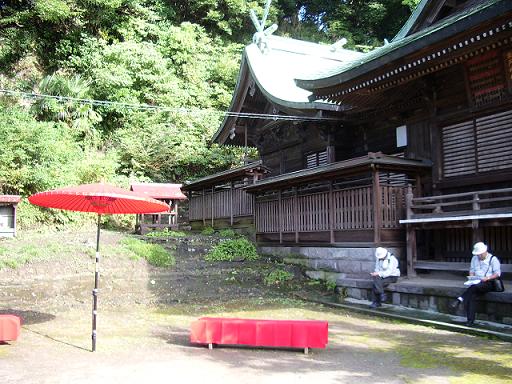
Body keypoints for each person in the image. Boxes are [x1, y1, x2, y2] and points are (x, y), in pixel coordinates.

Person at [450, 242, 501, 326]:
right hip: (476, 282)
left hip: (489, 282)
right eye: (478, 254)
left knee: (474, 287)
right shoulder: (474, 258)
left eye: (480, 254)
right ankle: (470, 321)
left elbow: (497, 274)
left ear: (485, 251)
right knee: (472, 297)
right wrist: (471, 277)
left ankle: (460, 299)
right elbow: (472, 270)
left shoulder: (493, 259)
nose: (479, 256)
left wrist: (487, 278)